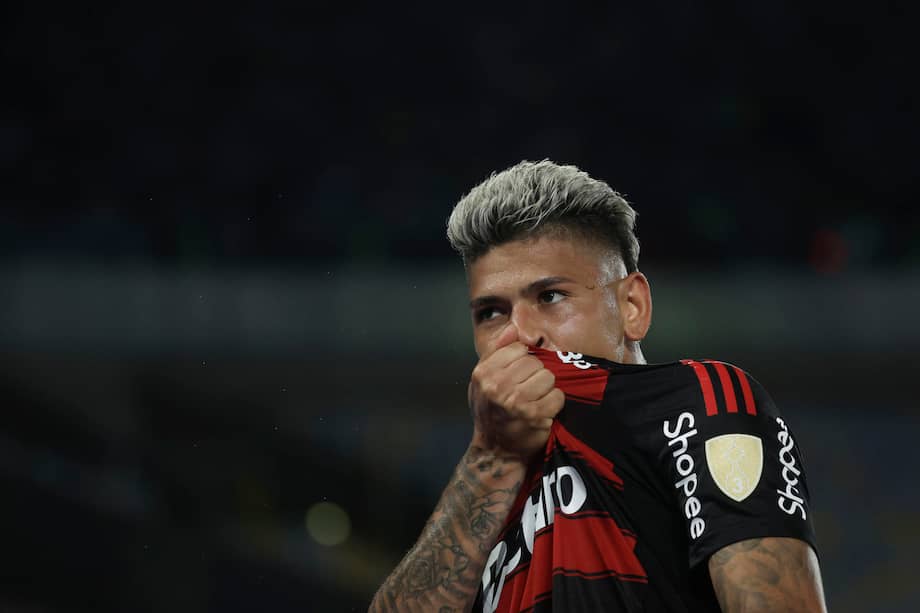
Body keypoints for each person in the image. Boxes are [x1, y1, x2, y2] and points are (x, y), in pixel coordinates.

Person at [369, 160, 827, 612]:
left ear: (632, 307)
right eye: (491, 313)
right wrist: (491, 461)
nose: (518, 335)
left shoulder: (701, 401)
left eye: (550, 296)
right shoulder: (481, 500)